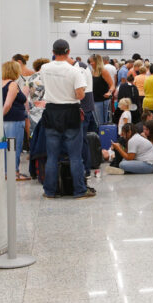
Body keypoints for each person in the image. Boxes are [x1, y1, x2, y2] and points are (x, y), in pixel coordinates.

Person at [39, 39, 94, 199]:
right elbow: (80, 95)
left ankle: (50, 191)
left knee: (52, 156)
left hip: (51, 111)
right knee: (75, 156)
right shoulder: (74, 71)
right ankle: (79, 190)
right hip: (70, 112)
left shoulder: (44, 68)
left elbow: (44, 86)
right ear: (68, 51)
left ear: (53, 52)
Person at [2, 61, 29, 181]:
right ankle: (14, 173)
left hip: (7, 121)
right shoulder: (12, 84)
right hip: (14, 120)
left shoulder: (0, 83)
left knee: (7, 148)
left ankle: (8, 172)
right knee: (15, 147)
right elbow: (8, 104)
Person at [26, 58, 49, 129]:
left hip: (32, 111)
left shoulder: (29, 78)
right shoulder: (47, 77)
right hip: (46, 110)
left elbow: (25, 95)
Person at [91, 55, 113, 125]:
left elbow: (112, 85)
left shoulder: (103, 71)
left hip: (102, 100)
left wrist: (109, 92)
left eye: (92, 61)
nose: (91, 63)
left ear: (97, 62)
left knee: (102, 123)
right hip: (94, 100)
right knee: (97, 123)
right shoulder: (92, 71)